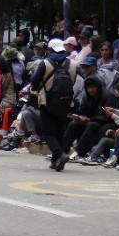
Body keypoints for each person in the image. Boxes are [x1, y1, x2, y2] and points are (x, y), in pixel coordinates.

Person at [29, 37, 74, 171]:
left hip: (47, 101)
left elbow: (34, 81)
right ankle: (56, 161)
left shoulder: (45, 63)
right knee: (59, 131)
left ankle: (60, 155)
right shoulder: (72, 64)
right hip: (66, 102)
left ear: (49, 49)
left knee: (47, 132)